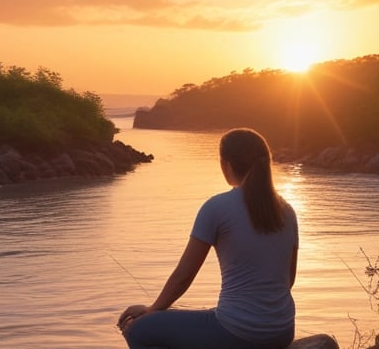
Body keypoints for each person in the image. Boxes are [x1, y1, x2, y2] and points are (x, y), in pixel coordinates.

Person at [117, 128, 299, 349]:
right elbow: (288, 279)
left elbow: (184, 276)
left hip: (239, 332)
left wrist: (153, 309)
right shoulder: (287, 211)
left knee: (138, 329)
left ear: (225, 165)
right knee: (211, 315)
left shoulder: (217, 208)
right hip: (281, 331)